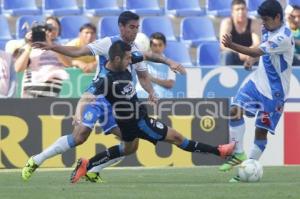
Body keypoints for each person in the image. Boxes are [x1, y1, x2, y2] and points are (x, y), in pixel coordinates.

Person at [22, 11, 186, 183]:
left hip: (118, 104)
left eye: (137, 27)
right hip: (99, 97)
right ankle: (36, 160)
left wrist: (151, 91)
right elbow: (79, 51)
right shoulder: (108, 43)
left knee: (131, 145)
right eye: (131, 27)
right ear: (121, 27)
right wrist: (52, 46)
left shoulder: (136, 50)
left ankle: (93, 170)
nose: (135, 31)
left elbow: (143, 76)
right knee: (80, 136)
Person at [69, 40, 235, 183]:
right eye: (128, 58)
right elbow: (86, 96)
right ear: (117, 59)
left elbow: (147, 55)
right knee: (178, 138)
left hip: (125, 123)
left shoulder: (124, 60)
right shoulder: (104, 79)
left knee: (127, 149)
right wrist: (77, 114)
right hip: (139, 122)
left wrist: (169, 62)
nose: (131, 61)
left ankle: (87, 164)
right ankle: (219, 151)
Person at [219, 0, 294, 182]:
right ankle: (238, 154)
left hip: (274, 93)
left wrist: (232, 46)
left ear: (277, 17)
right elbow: (261, 52)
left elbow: (255, 51)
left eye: (267, 20)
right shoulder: (267, 28)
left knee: (261, 132)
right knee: (234, 110)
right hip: (257, 82)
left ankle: (248, 168)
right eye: (262, 20)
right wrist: (253, 61)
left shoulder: (283, 36)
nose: (263, 23)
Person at [14, 16, 71, 98]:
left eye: (54, 28)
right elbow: (18, 68)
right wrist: (30, 45)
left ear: (59, 32)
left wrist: (51, 45)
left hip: (51, 97)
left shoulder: (61, 48)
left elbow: (68, 63)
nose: (50, 31)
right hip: (30, 95)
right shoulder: (29, 47)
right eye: (48, 27)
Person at [219, 0, 260, 66]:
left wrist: (246, 53)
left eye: (243, 9)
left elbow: (257, 44)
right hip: (233, 54)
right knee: (226, 54)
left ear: (247, 10)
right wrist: (239, 53)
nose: (241, 12)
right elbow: (223, 45)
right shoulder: (227, 23)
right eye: (237, 9)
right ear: (232, 12)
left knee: (258, 54)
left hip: (249, 55)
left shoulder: (254, 23)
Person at [136, 32, 175, 98]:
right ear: (150, 45)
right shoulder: (142, 60)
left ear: (165, 46)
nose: (157, 48)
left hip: (161, 99)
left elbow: (170, 84)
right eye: (155, 45)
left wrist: (152, 79)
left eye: (160, 45)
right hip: (142, 97)